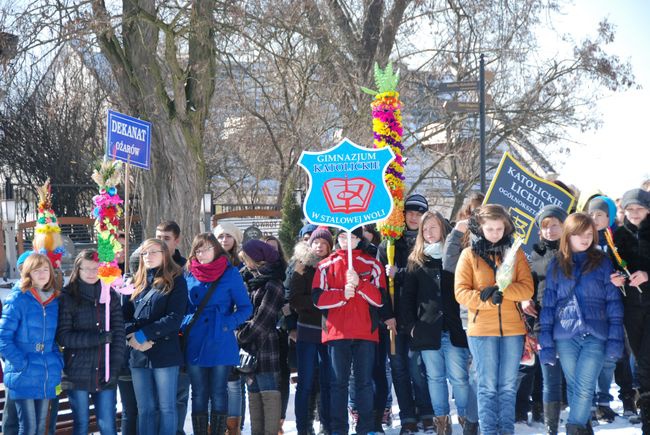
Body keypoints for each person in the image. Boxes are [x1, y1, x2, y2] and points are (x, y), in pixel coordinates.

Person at [539, 213, 624, 434]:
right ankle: (583, 429)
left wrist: (615, 340)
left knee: (585, 387)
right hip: (566, 336)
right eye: (579, 234)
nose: (585, 239)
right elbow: (548, 306)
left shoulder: (602, 262)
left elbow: (613, 304)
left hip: (595, 335)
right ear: (568, 236)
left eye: (589, 234)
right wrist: (546, 343)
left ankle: (573, 429)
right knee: (575, 387)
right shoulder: (556, 265)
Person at [454, 204, 534, 435]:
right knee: (487, 386)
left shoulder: (515, 252)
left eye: (500, 228)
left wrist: (504, 291)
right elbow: (460, 292)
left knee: (508, 387)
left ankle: (506, 431)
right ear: (480, 228)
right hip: (481, 329)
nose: (495, 233)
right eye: (490, 228)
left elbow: (527, 289)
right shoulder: (468, 255)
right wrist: (484, 298)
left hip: (512, 329)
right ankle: (489, 431)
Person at [313, 228, 386, 435]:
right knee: (338, 384)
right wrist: (342, 294)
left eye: (352, 237)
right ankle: (338, 430)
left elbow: (380, 299)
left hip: (365, 332)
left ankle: (365, 428)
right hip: (337, 333)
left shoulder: (372, 264)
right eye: (343, 237)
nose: (347, 241)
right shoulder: (325, 265)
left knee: (364, 383)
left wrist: (360, 284)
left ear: (358, 239)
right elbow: (317, 298)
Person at [402, 211, 469, 434]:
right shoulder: (416, 261)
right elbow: (408, 298)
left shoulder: (457, 256)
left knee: (459, 377)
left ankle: (468, 420)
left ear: (443, 229)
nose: (429, 233)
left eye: (433, 228)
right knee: (435, 378)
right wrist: (412, 326)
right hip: (427, 330)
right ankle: (442, 422)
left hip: (454, 328)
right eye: (425, 229)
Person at [183, 233, 253, 434]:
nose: (201, 254)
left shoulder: (230, 273)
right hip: (195, 339)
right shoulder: (189, 273)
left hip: (220, 339)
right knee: (198, 393)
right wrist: (185, 324)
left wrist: (226, 324)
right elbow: (183, 307)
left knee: (219, 392)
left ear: (216, 250)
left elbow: (245, 308)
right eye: (198, 250)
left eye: (205, 249)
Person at [377, 193, 434, 434]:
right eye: (409, 212)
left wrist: (399, 273)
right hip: (394, 318)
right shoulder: (388, 245)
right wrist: (387, 315)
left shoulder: (429, 245)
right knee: (398, 368)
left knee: (417, 368)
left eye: (419, 214)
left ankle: (426, 412)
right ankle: (408, 416)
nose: (413, 217)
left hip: (419, 318)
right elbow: (380, 284)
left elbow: (428, 281)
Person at [56, 249, 126, 435]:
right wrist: (96, 339)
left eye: (95, 268)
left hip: (105, 372)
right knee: (82, 424)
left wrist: (115, 367)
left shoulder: (109, 295)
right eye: (86, 269)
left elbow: (119, 334)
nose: (90, 273)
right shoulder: (67, 297)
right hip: (76, 371)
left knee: (107, 425)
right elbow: (64, 336)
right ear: (77, 270)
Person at [123, 238, 188, 435]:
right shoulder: (135, 282)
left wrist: (143, 335)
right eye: (144, 253)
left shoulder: (176, 281)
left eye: (153, 252)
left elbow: (174, 318)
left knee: (166, 407)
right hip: (138, 353)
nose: (148, 257)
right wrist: (132, 336)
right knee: (145, 409)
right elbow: (124, 315)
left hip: (165, 353)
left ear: (164, 255)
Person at [0, 253, 63, 435]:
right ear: (28, 273)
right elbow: (3, 338)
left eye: (45, 269)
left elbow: (56, 338)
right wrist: (21, 364)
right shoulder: (18, 299)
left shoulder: (54, 301)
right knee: (28, 428)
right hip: (24, 372)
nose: (42, 274)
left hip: (46, 372)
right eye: (37, 270)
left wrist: (56, 360)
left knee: (41, 427)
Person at [588, 195, 637, 422]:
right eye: (592, 214)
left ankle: (620, 399)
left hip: (617, 305)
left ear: (608, 217)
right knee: (592, 355)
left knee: (617, 355)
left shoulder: (616, 238)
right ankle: (591, 401)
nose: (595, 218)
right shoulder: (581, 239)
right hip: (590, 307)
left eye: (600, 214)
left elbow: (626, 266)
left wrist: (621, 277)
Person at [525, 205, 567, 434]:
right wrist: (525, 301)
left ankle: (582, 424)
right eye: (544, 226)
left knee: (574, 377)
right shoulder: (535, 254)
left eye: (555, 225)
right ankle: (552, 427)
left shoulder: (574, 251)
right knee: (550, 378)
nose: (550, 230)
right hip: (543, 323)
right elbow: (529, 287)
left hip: (571, 323)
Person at [611, 188, 650, 433]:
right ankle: (647, 417)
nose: (634, 213)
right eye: (629, 209)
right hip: (631, 307)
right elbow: (612, 266)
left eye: (639, 208)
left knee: (646, 360)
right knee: (643, 363)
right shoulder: (617, 236)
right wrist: (615, 278)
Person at [237, 240, 286, 435]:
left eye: (246, 259)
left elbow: (263, 320)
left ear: (258, 260)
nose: (245, 264)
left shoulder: (273, 284)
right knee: (253, 395)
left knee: (269, 394)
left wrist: (239, 336)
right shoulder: (250, 281)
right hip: (250, 349)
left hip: (265, 346)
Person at [288, 228, 333, 435]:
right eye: (316, 243)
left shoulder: (335, 265)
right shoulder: (301, 266)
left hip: (329, 331)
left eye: (324, 243)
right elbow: (295, 299)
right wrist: (320, 300)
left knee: (327, 381)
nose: (320, 246)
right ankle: (303, 427)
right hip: (307, 329)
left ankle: (326, 423)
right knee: (305, 382)